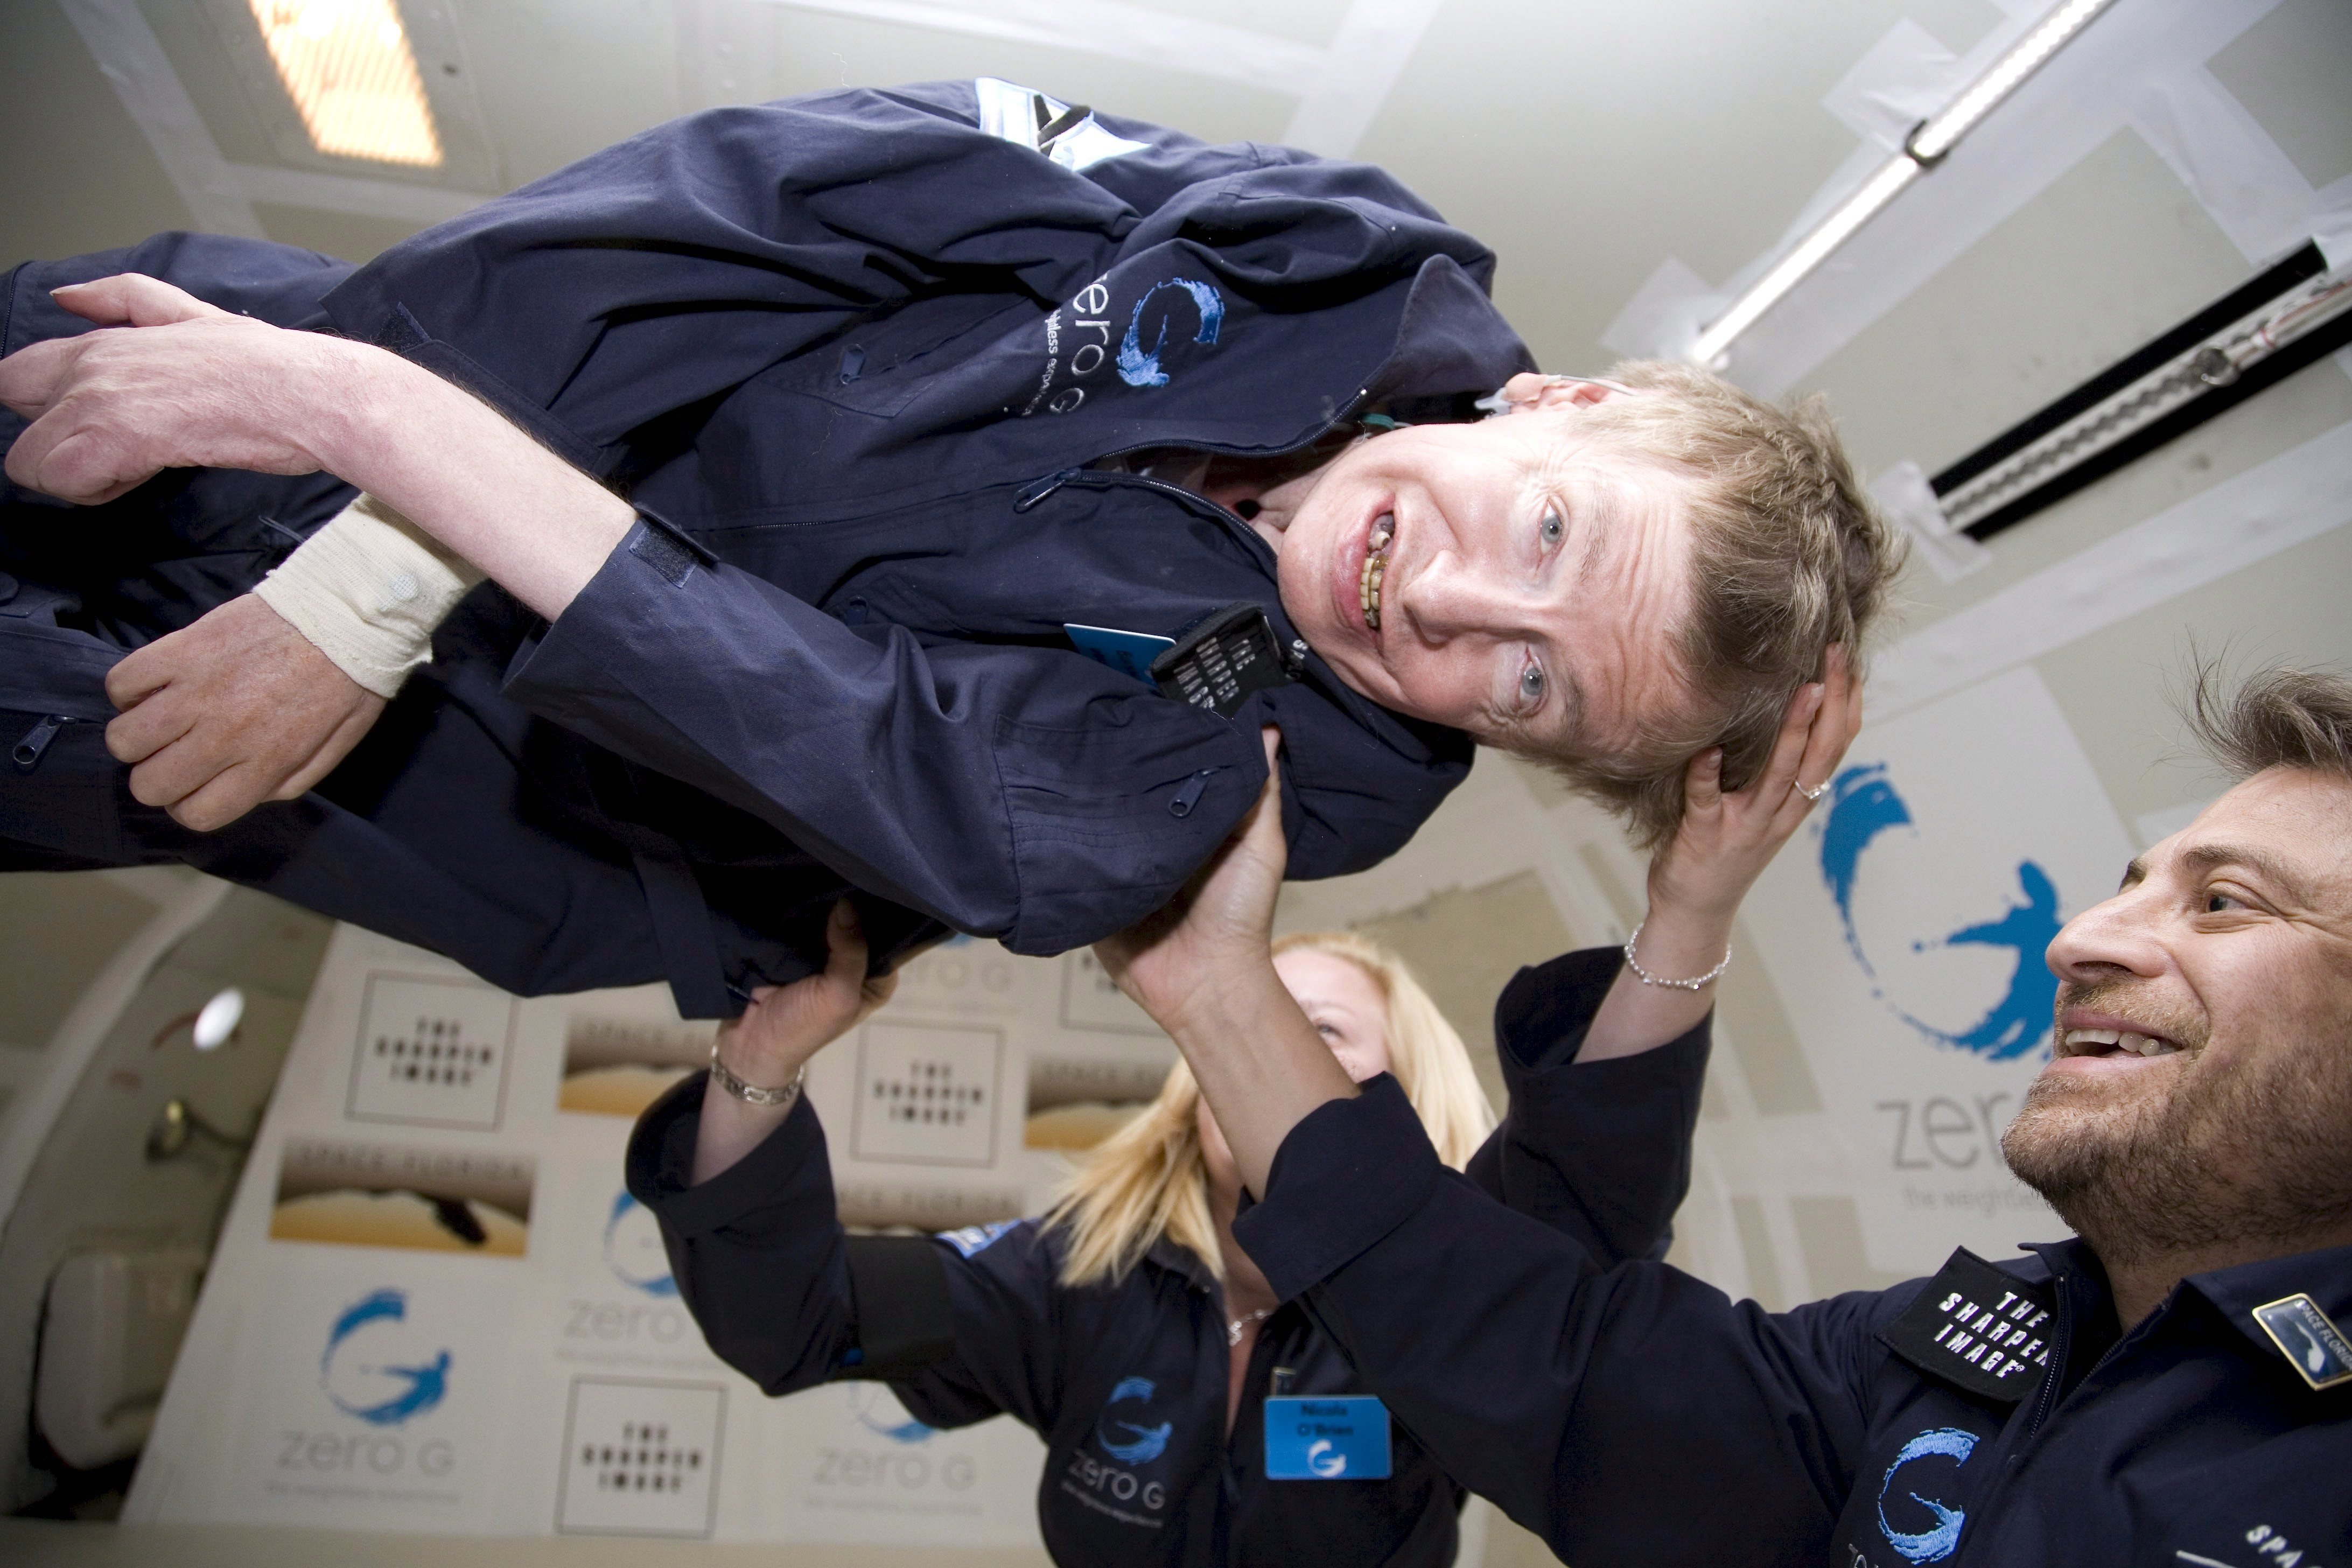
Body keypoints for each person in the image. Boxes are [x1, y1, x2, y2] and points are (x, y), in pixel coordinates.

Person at [0, 80, 1896, 1014]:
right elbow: (764, 210)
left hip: (507, 787)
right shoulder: (1317, 251)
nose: (1455, 604)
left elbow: (847, 740)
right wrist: (366, 553)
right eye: (1546, 534)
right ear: (1553, 404)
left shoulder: (1303, 781)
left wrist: (371, 555)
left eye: (1530, 679)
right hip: (395, 369)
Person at [1098, 660, 2352, 1567]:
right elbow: (1555, 1353)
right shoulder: (1966, 1356)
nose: (2081, 938)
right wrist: (1212, 982)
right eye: (2129, 885)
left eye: (2226, 904)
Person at [619, 656, 1862, 1567]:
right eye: (1243, 1017)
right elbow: (796, 1322)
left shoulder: (1445, 1288)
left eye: (1319, 1035)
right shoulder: (1077, 1275)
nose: (1257, 1049)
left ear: (1395, 1099)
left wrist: (1689, 914)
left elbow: (1599, 1186)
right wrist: (761, 1065)